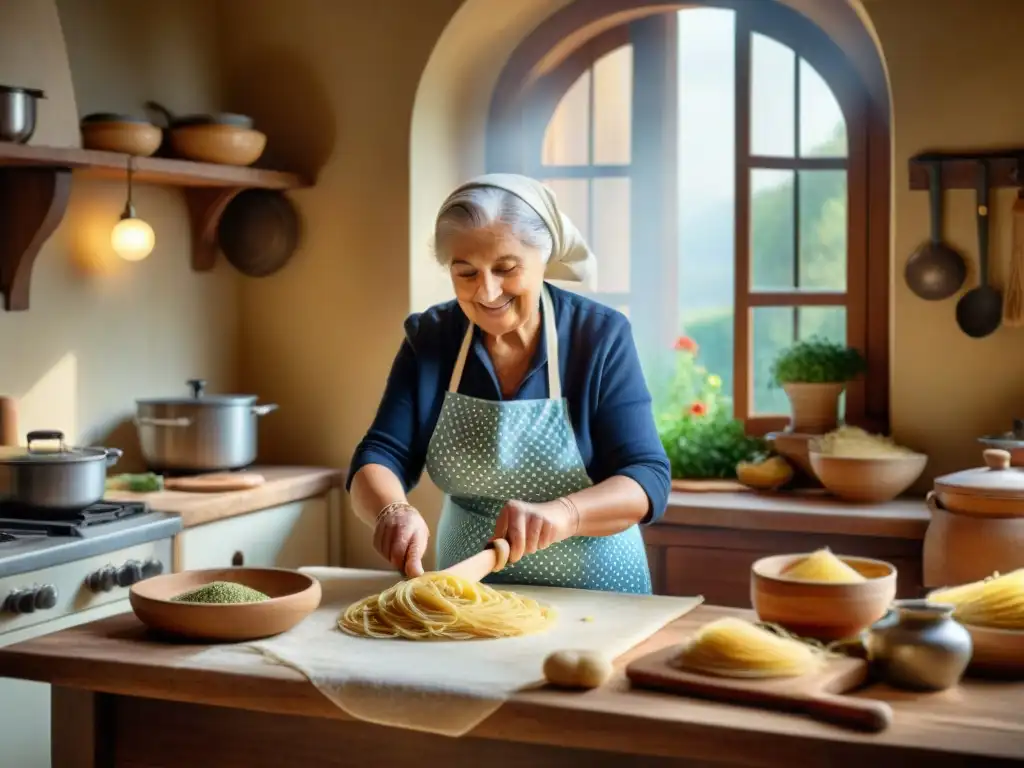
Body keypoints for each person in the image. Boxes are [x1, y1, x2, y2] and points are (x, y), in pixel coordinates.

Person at [346, 173, 671, 594]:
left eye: (506, 268)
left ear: (543, 256)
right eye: (466, 273)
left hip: (597, 589)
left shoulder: (599, 336)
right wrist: (392, 510)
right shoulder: (431, 338)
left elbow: (647, 477)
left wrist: (565, 514)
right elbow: (381, 452)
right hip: (466, 592)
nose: (487, 291)